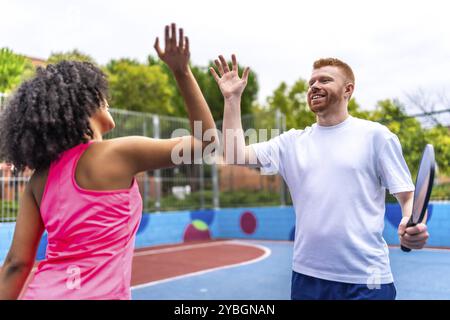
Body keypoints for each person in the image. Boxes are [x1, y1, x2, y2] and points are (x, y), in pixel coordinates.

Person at [0, 23, 217, 300]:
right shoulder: (119, 153)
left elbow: (16, 264)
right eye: (100, 95)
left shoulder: (38, 180)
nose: (107, 99)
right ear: (85, 104)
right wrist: (181, 71)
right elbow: (206, 142)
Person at [210, 55, 429, 300]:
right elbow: (234, 153)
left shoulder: (377, 136)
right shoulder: (291, 143)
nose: (314, 86)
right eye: (311, 82)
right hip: (307, 278)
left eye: (324, 80)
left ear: (348, 90)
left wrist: (412, 223)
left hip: (366, 279)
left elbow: (408, 196)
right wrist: (232, 99)